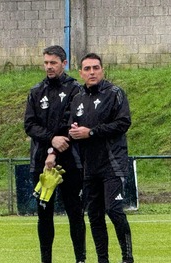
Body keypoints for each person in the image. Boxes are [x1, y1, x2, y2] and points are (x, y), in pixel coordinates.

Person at [68, 53, 134, 263]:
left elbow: (123, 123)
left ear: (102, 69)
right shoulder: (77, 98)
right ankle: (102, 259)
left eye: (95, 67)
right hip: (90, 165)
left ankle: (127, 257)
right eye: (87, 69)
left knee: (114, 210)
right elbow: (74, 125)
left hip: (113, 162)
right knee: (94, 216)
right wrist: (74, 131)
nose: (92, 72)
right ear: (81, 73)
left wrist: (92, 132)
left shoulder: (115, 93)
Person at [24, 45, 86, 263]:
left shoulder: (75, 90)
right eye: (46, 63)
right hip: (41, 164)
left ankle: (80, 259)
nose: (49, 67)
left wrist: (55, 149)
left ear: (64, 63)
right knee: (44, 215)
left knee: (75, 213)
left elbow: (71, 122)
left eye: (53, 63)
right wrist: (50, 141)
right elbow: (29, 125)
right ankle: (46, 259)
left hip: (70, 162)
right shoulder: (36, 91)